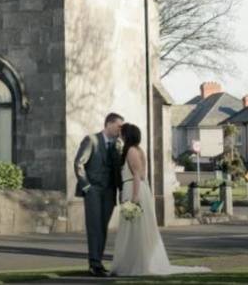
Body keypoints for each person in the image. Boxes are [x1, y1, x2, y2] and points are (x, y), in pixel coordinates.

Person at [110, 123, 210, 276]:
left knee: (135, 230)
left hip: (134, 189)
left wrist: (134, 197)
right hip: (135, 188)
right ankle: (133, 262)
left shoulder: (131, 150)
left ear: (127, 135)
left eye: (122, 133)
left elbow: (137, 174)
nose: (120, 136)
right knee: (134, 230)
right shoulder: (137, 150)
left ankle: (137, 264)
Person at [74, 112, 124, 277]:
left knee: (103, 228)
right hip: (93, 190)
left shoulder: (118, 144)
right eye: (118, 126)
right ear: (109, 124)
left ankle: (98, 263)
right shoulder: (92, 140)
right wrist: (86, 187)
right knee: (94, 228)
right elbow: (79, 163)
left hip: (110, 192)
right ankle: (94, 264)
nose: (120, 129)